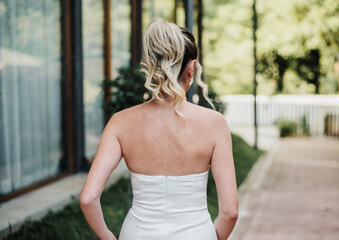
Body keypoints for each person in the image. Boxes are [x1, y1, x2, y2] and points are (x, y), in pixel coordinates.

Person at [79, 20, 238, 240]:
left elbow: (88, 199)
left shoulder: (120, 122)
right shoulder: (215, 123)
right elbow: (230, 212)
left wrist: (109, 237)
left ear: (150, 67)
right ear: (191, 68)